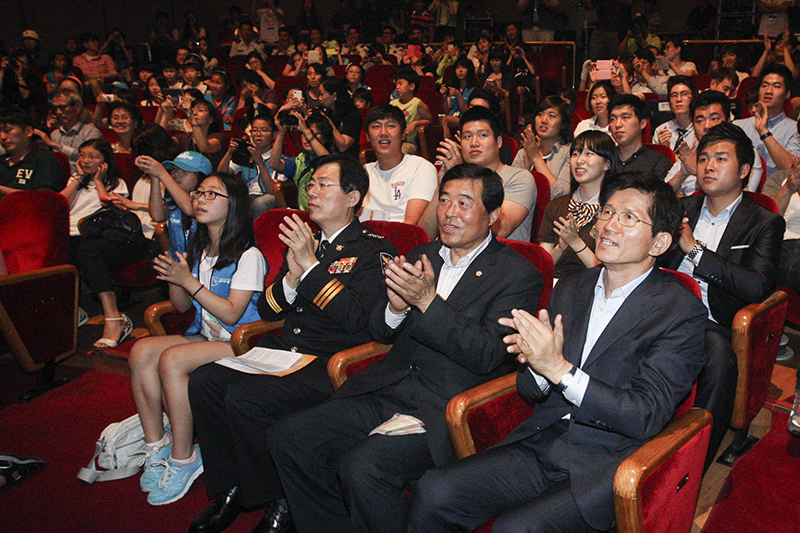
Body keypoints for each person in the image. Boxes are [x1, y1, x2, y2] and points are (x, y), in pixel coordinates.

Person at [407, 170, 706, 533]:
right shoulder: (572, 288)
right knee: (433, 491)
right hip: (544, 438)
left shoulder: (680, 310)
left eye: (628, 218)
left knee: (518, 528)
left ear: (659, 243)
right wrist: (536, 365)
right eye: (608, 212)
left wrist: (560, 370)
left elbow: (646, 414)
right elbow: (531, 391)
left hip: (609, 458)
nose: (609, 225)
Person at [268, 162, 543, 533]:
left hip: (447, 406)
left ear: (493, 214)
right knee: (290, 436)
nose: (449, 213)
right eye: (444, 201)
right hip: (390, 386)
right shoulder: (422, 254)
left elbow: (488, 355)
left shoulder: (518, 273)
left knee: (363, 467)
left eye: (464, 203)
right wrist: (396, 308)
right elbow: (380, 332)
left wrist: (429, 302)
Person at [187, 153, 395, 533]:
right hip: (287, 353)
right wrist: (292, 278)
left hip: (332, 363)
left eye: (323, 185)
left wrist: (311, 268)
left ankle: (281, 501)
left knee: (244, 397)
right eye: (310, 184)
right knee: (204, 381)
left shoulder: (374, 250)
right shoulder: (307, 242)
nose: (312, 191)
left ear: (352, 198)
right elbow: (267, 310)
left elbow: (359, 320)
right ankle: (233, 487)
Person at [129, 172, 266, 506]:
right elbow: (181, 306)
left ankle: (184, 456)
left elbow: (232, 313)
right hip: (207, 336)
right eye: (199, 193)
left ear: (233, 205)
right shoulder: (199, 247)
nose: (200, 199)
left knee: (172, 359)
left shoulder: (249, 255)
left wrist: (188, 281)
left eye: (211, 194)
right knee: (142, 350)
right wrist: (177, 275)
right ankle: (156, 444)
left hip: (242, 343)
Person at [658, 122, 784, 466]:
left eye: (720, 158)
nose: (708, 166)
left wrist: (694, 250)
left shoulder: (764, 221)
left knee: (720, 359)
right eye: (704, 158)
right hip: (662, 309)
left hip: (713, 321)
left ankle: (692, 463)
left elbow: (757, 285)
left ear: (744, 170)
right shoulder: (682, 209)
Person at [431, 106, 537, 242]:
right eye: (467, 137)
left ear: (498, 142)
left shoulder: (519, 178)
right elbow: (426, 232)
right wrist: (442, 186)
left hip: (498, 260)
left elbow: (500, 229)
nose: (474, 143)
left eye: (483, 135)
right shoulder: (453, 178)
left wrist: (461, 181)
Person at [538, 131, 618, 280]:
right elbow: (543, 266)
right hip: (556, 283)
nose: (580, 160)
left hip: (594, 286)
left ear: (607, 164)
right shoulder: (556, 205)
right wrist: (560, 247)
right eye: (576, 154)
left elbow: (609, 273)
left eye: (589, 154)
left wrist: (575, 242)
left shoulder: (614, 211)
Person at [666, 90, 764, 195]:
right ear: (693, 126)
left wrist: (698, 171)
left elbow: (740, 200)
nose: (707, 126)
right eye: (700, 121)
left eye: (714, 118)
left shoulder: (744, 152)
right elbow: (660, 201)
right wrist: (682, 174)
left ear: (728, 121)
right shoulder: (689, 154)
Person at [359, 104, 437, 224]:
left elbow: (411, 226)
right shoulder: (363, 173)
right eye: (376, 126)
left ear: (403, 134)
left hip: (401, 239)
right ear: (367, 137)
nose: (383, 133)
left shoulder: (420, 168)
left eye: (390, 126)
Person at [733, 63, 800, 178]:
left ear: (787, 94)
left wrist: (764, 132)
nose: (769, 91)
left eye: (776, 86)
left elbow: (791, 167)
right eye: (765, 85)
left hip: (776, 192)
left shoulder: (795, 129)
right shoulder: (739, 126)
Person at [217, 113, 284, 218]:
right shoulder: (246, 153)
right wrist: (230, 153)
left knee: (259, 203)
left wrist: (260, 163)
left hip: (268, 197)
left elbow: (273, 190)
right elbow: (222, 173)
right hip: (247, 195)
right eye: (255, 130)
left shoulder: (280, 160)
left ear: (274, 135)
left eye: (264, 130)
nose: (259, 134)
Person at [270, 106, 332, 210]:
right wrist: (281, 133)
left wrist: (307, 131)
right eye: (303, 135)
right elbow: (274, 164)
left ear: (325, 138)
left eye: (314, 133)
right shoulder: (300, 160)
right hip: (305, 215)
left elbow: (327, 163)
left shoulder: (334, 161)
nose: (306, 138)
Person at [512, 95, 573, 199]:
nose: (544, 120)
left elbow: (560, 193)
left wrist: (536, 158)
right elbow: (511, 191)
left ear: (562, 124)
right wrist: (526, 165)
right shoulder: (524, 151)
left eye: (552, 116)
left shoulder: (569, 152)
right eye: (540, 114)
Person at [34, 88, 102, 173]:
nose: (58, 112)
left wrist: (54, 145)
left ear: (77, 107)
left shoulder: (91, 133)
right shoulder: (54, 134)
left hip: (81, 179)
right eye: (55, 108)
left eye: (62, 107)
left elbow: (89, 160)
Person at [0, 109, 63, 198]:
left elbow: (43, 199)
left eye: (7, 130)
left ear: (28, 131)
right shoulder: (2, 161)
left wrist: (2, 189)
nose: (2, 137)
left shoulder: (44, 160)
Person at [608, 94, 672, 179]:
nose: (618, 124)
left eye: (625, 117)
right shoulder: (604, 160)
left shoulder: (657, 161)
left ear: (642, 123)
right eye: (613, 119)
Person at [390, 67, 433, 155]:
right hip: (393, 141)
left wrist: (415, 123)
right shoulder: (392, 104)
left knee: (400, 152)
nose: (397, 87)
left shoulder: (418, 104)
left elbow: (429, 120)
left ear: (412, 86)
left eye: (400, 84)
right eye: (396, 85)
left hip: (408, 143)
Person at [173, 99, 225, 171]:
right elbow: (163, 142)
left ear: (210, 119)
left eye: (200, 110)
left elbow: (204, 147)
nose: (194, 113)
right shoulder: (184, 137)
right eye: (192, 110)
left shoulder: (218, 137)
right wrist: (165, 114)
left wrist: (193, 119)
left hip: (209, 178)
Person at [318, 77, 362, 158]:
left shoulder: (352, 115)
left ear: (334, 96)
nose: (319, 98)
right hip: (326, 159)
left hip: (346, 160)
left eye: (322, 94)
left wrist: (328, 122)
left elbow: (343, 146)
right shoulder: (324, 112)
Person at [653, 75, 698, 151]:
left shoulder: (700, 130)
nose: (678, 99)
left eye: (684, 94)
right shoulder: (661, 131)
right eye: (674, 95)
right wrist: (664, 149)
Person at [71, 33, 119, 99]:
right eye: (93, 42)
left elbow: (114, 73)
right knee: (93, 82)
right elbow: (78, 74)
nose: (96, 44)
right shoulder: (78, 59)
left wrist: (95, 76)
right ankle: (103, 103)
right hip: (86, 85)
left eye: (97, 41)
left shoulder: (105, 57)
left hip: (105, 82)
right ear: (85, 45)